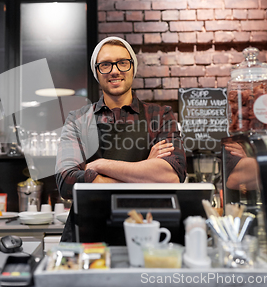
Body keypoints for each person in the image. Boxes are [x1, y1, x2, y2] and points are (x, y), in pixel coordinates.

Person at [55, 36, 186, 241]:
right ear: (97, 73)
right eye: (105, 65)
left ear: (133, 68)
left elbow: (172, 176)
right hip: (89, 235)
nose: (115, 70)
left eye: (122, 63)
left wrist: (99, 165)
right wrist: (145, 171)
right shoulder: (78, 120)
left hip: (148, 232)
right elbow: (67, 181)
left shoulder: (160, 116)